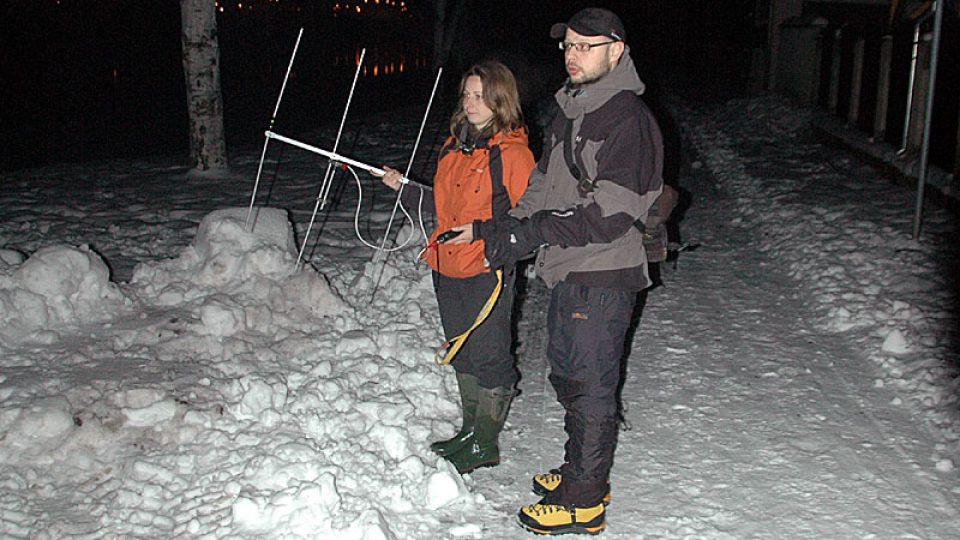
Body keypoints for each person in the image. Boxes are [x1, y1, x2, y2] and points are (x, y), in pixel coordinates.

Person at [450, 7, 664, 535]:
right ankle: (578, 473)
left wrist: (531, 233)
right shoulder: (573, 111)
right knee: (571, 380)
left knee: (590, 388)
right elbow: (542, 189)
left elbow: (611, 213)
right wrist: (500, 232)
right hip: (570, 271)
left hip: (602, 273)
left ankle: (585, 501)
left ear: (616, 51)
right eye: (567, 45)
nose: (572, 55)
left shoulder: (627, 120)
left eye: (585, 47)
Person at [378, 61, 535, 474]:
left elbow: (530, 220)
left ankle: (485, 443)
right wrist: (405, 189)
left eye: (480, 95)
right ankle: (469, 431)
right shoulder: (454, 146)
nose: (470, 103)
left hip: (486, 268)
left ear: (500, 99)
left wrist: (482, 234)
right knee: (461, 349)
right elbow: (442, 207)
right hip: (446, 265)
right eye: (466, 94)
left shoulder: (514, 155)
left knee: (490, 355)